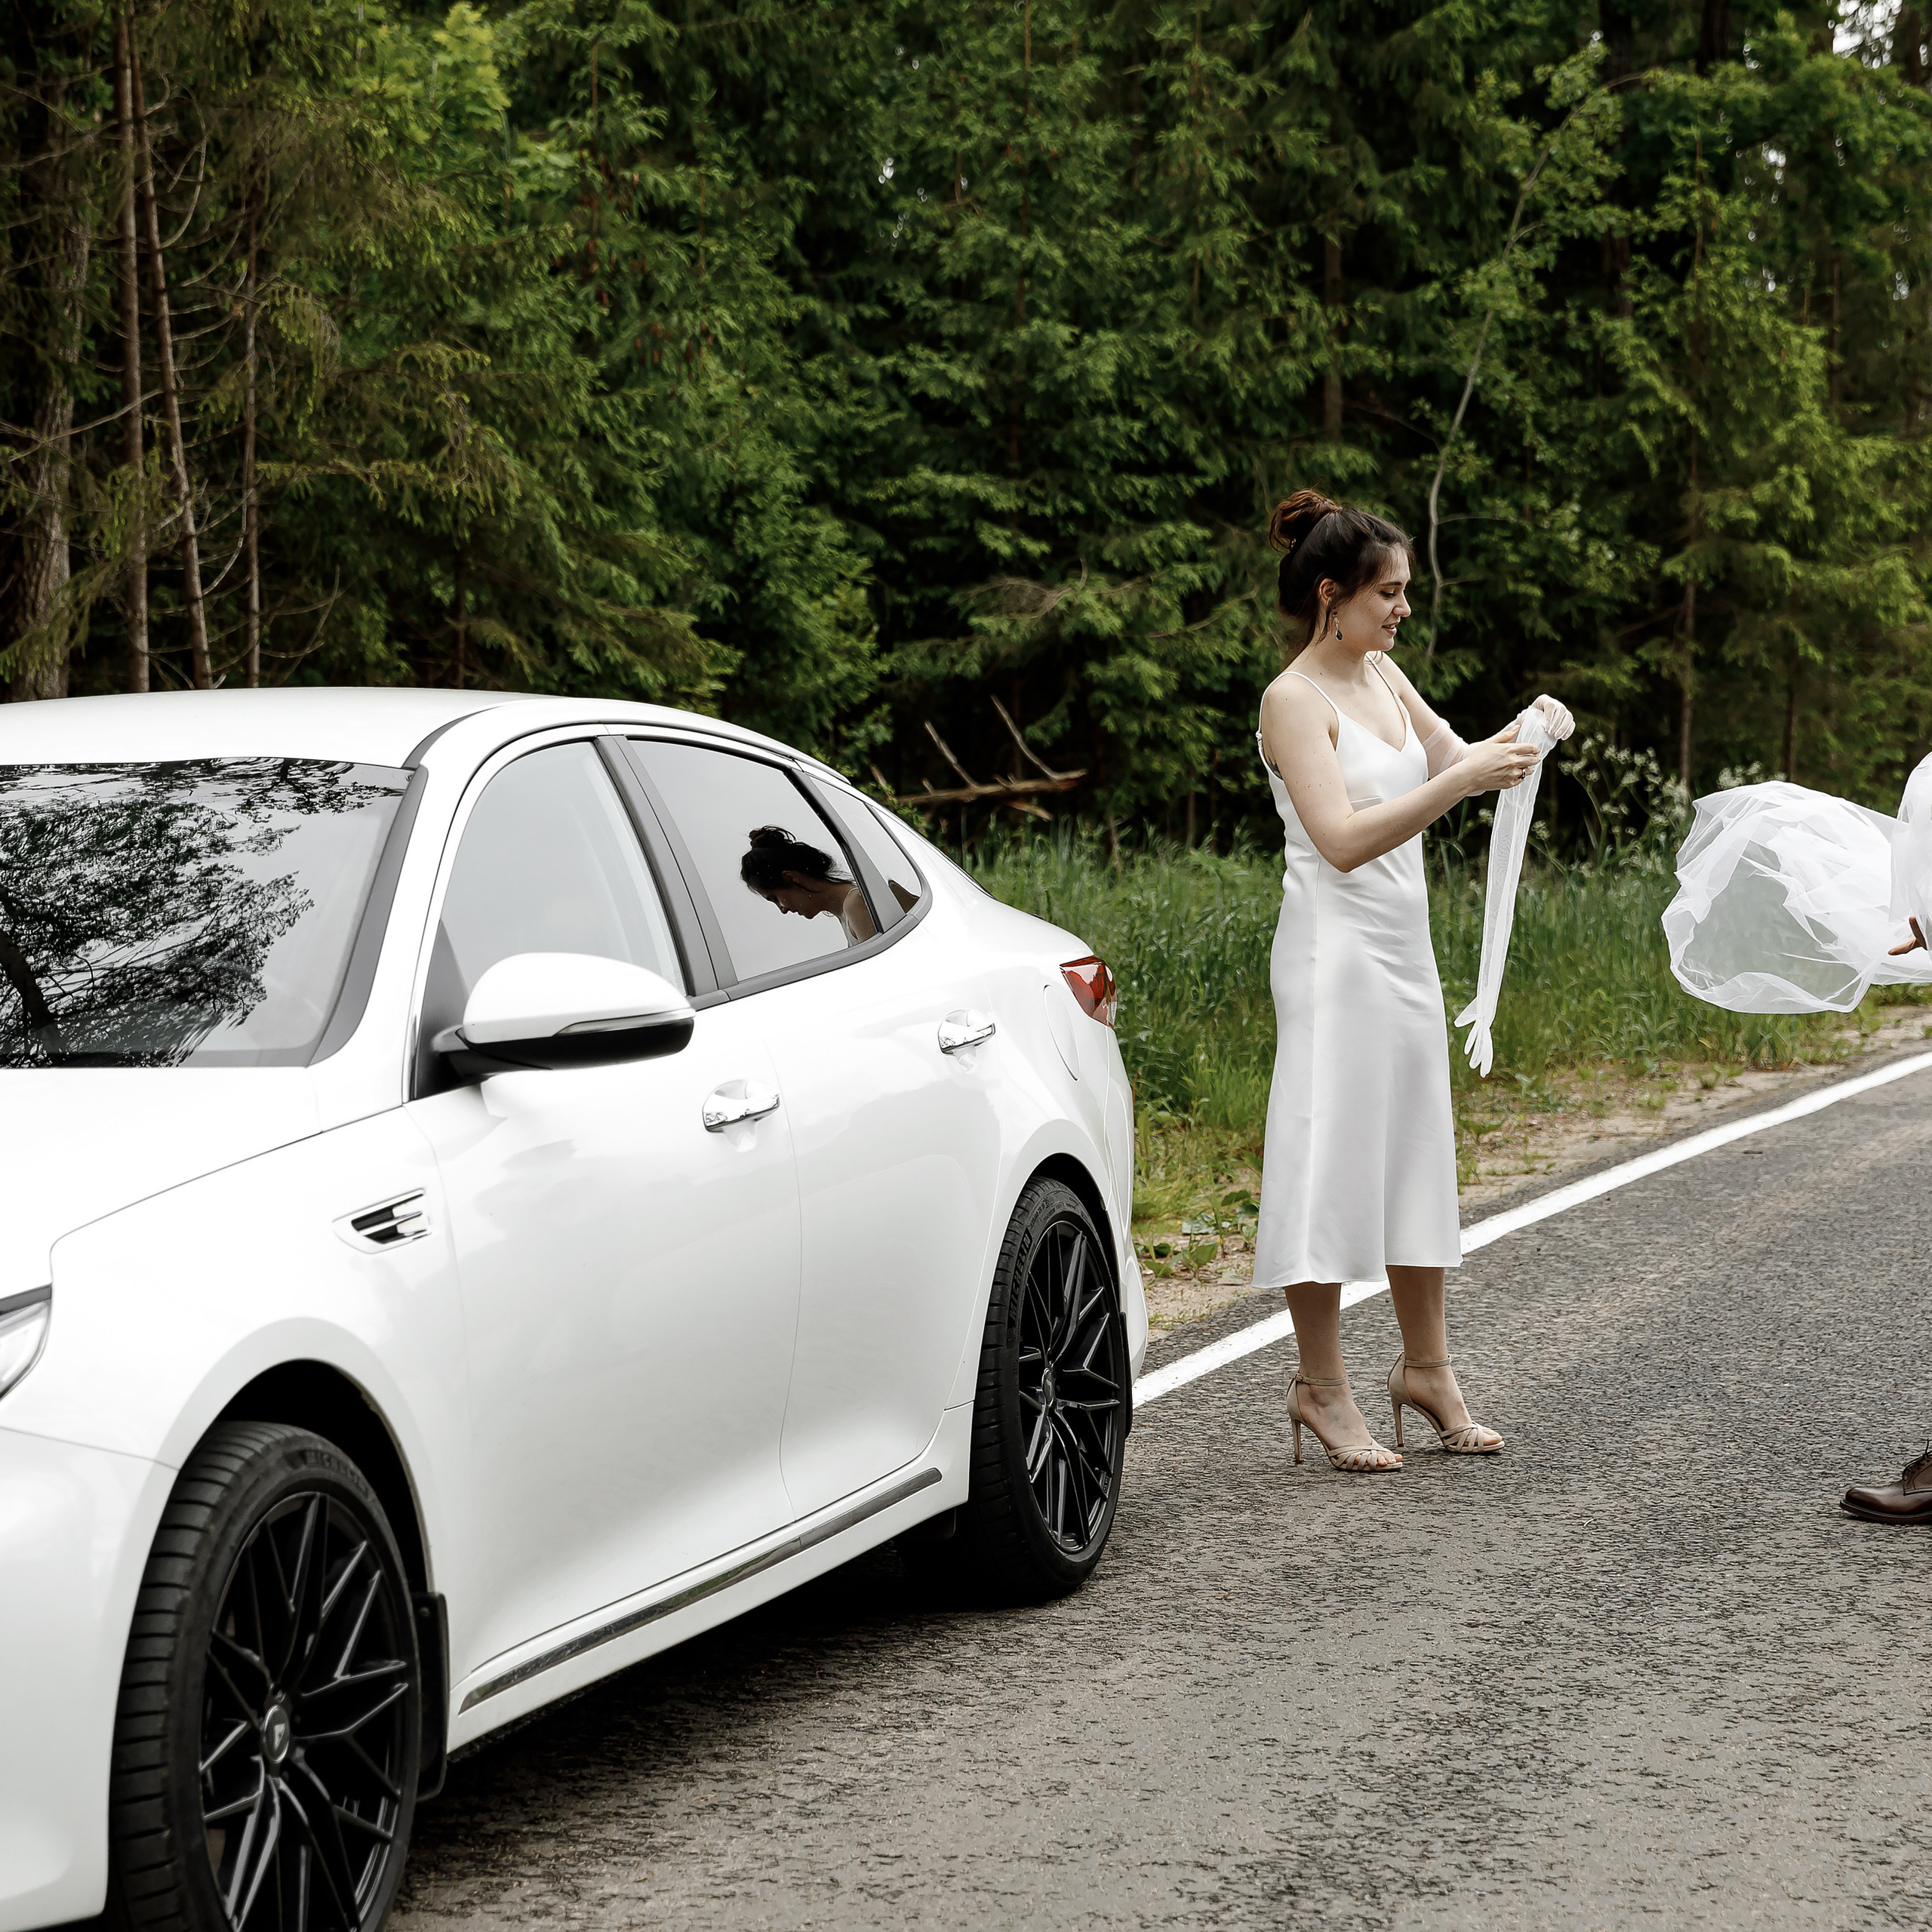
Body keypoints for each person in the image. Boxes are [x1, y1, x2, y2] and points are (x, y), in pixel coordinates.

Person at [1254, 490, 1571, 1472]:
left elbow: (1456, 759)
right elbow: (1342, 841)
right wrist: (1460, 785)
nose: (1401, 611)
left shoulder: (1386, 676)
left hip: (1403, 949)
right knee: (1332, 1159)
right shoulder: (1291, 701)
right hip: (1332, 953)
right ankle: (1321, 1386)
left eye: (1405, 593)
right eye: (1387, 593)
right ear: (1330, 595)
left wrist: (1519, 743)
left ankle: (1426, 1368)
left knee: (1414, 1151)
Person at [740, 824, 877, 944]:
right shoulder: (846, 913)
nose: (783, 909)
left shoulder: (855, 904)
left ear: (790, 878)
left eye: (775, 899)